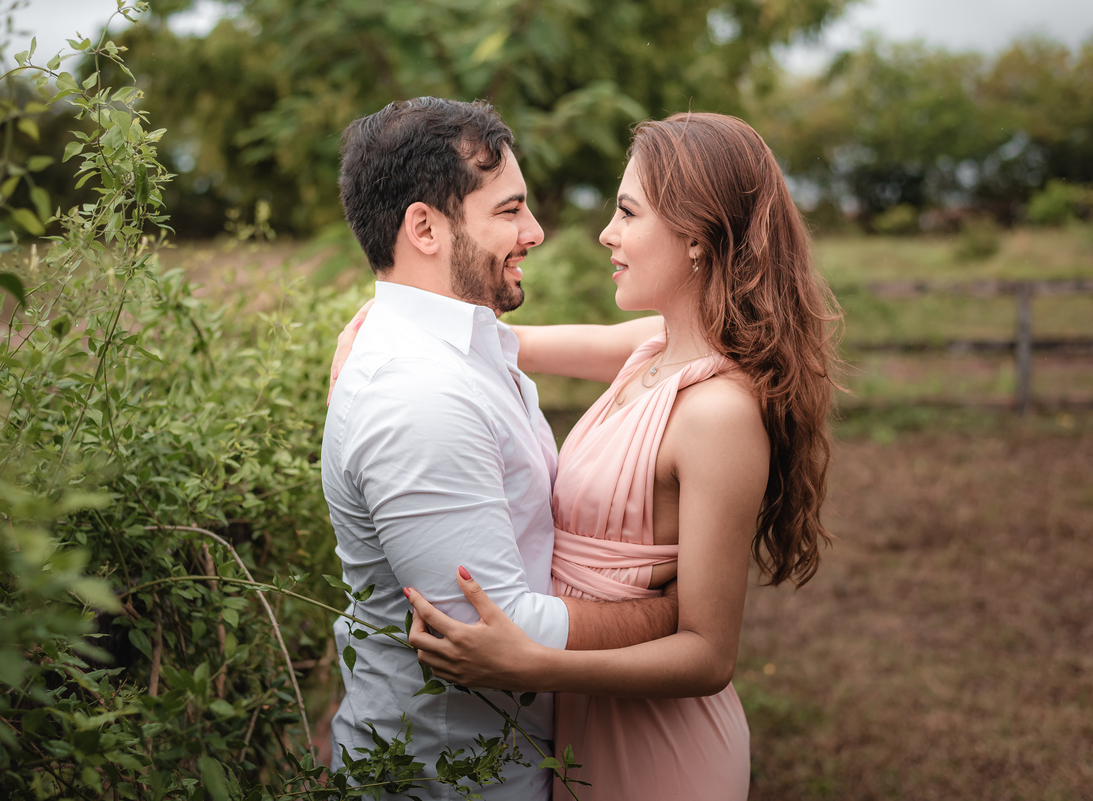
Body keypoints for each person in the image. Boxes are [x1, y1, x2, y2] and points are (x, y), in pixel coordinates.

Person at [400, 112, 841, 801]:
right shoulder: (654, 347)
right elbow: (510, 341)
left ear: (695, 235)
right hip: (584, 721)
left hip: (660, 750)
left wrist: (535, 663)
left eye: (627, 213)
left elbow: (708, 653)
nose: (607, 232)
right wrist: (395, 325)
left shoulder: (718, 411)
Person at [320, 97, 681, 801]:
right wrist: (674, 617)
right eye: (510, 210)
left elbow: (660, 342)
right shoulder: (420, 395)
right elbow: (496, 626)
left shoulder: (462, 346)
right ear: (423, 227)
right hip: (448, 777)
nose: (535, 230)